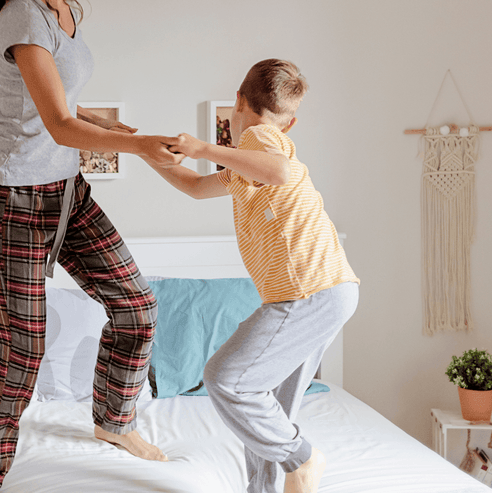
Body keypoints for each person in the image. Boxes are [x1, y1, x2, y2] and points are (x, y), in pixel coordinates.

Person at [0, 0, 181, 491]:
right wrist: (133, 145)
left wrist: (116, 128)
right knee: (17, 354)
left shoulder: (62, 7)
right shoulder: (24, 14)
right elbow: (55, 123)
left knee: (135, 305)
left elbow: (63, 109)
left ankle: (113, 418)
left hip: (65, 191)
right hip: (12, 199)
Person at [145, 59, 360, 493]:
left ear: (237, 101)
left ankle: (304, 458)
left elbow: (278, 170)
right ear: (292, 121)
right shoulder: (248, 168)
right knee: (265, 407)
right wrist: (149, 152)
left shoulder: (261, 138)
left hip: (307, 292)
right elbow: (194, 187)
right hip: (326, 290)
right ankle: (265, 487)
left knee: (226, 379)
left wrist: (203, 148)